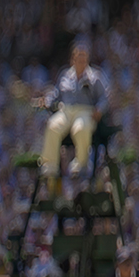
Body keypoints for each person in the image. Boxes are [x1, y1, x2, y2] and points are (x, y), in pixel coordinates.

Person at [33, 44, 111, 180]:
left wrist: (99, 110)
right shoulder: (65, 75)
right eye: (79, 57)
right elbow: (56, 94)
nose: (81, 60)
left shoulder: (95, 77)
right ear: (73, 59)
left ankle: (81, 163)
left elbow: (104, 98)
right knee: (52, 126)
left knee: (81, 128)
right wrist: (46, 101)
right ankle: (49, 164)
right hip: (66, 110)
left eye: (84, 57)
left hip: (85, 111)